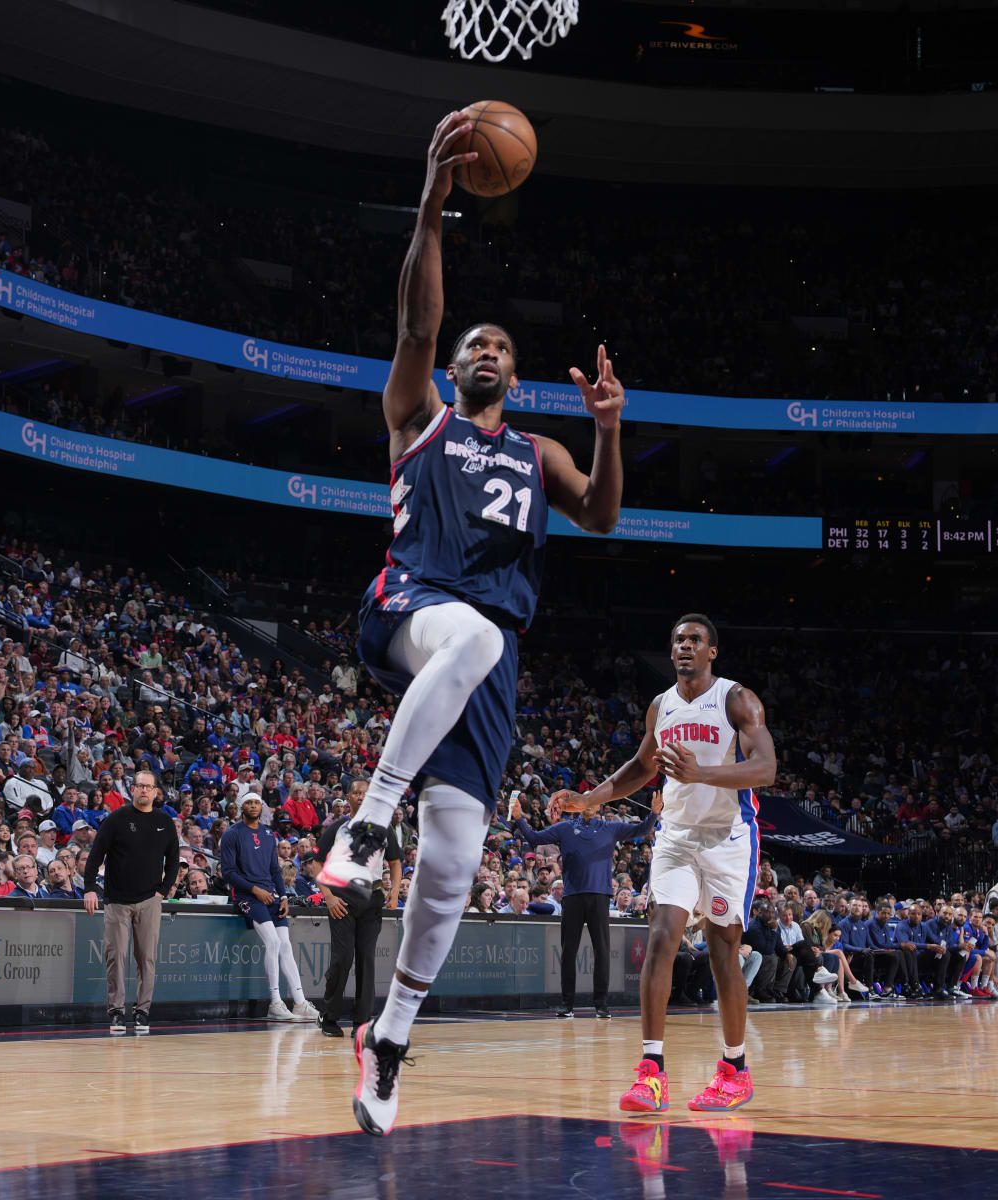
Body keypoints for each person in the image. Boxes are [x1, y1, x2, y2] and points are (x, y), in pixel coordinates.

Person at [318, 112, 625, 1139]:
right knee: (473, 636)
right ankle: (367, 824)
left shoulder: (540, 453)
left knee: (453, 863)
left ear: (516, 376)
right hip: (410, 608)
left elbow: (602, 515)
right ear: (453, 368)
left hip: (485, 665)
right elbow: (415, 327)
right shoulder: (420, 418)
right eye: (472, 344)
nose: (485, 350)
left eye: (501, 345)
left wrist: (608, 428)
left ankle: (389, 1041)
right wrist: (430, 212)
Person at [558, 614, 773, 1115]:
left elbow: (766, 768)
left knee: (723, 953)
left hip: (727, 838)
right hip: (676, 836)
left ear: (712, 651)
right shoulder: (662, 705)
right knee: (661, 938)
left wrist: (702, 773)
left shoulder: (737, 700)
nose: (685, 646)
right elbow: (642, 766)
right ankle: (651, 1073)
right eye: (678, 640)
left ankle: (735, 1071)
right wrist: (589, 800)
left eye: (695, 640)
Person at [509, 790, 656, 1018]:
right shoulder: (565, 828)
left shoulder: (610, 827)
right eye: (585, 798)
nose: (589, 802)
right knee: (568, 952)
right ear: (578, 804)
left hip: (599, 897)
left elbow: (642, 829)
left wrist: (654, 813)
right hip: (573, 896)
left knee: (602, 951)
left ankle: (601, 1004)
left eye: (594, 799)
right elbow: (535, 838)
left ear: (599, 806)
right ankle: (567, 1004)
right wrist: (519, 818)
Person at [82, 769, 181, 1035]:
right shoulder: (116, 819)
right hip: (117, 900)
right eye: (140, 786)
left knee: (147, 958)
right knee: (115, 957)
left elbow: (173, 860)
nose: (144, 790)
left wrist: (163, 891)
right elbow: (95, 855)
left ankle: (142, 1012)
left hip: (150, 900)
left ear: (156, 792)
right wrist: (89, 888)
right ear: (133, 789)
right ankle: (116, 1012)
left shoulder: (165, 822)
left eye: (149, 786)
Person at [315, 781, 406, 1038]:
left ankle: (362, 1021)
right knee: (342, 958)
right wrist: (328, 897)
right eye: (356, 793)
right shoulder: (337, 828)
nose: (361, 797)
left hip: (372, 897)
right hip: (342, 897)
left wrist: (394, 891)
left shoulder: (383, 828)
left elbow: (395, 862)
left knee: (366, 959)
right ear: (348, 797)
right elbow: (317, 862)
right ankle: (329, 1016)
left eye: (365, 794)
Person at [220, 795, 318, 1026]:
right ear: (241, 807)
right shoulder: (232, 834)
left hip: (271, 895)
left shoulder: (268, 834)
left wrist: (283, 896)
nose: (253, 806)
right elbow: (228, 873)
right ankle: (275, 1003)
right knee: (273, 942)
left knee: (286, 945)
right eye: (249, 803)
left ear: (261, 807)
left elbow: (275, 869)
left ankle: (300, 1003)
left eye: (257, 803)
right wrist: (255, 890)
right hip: (247, 896)